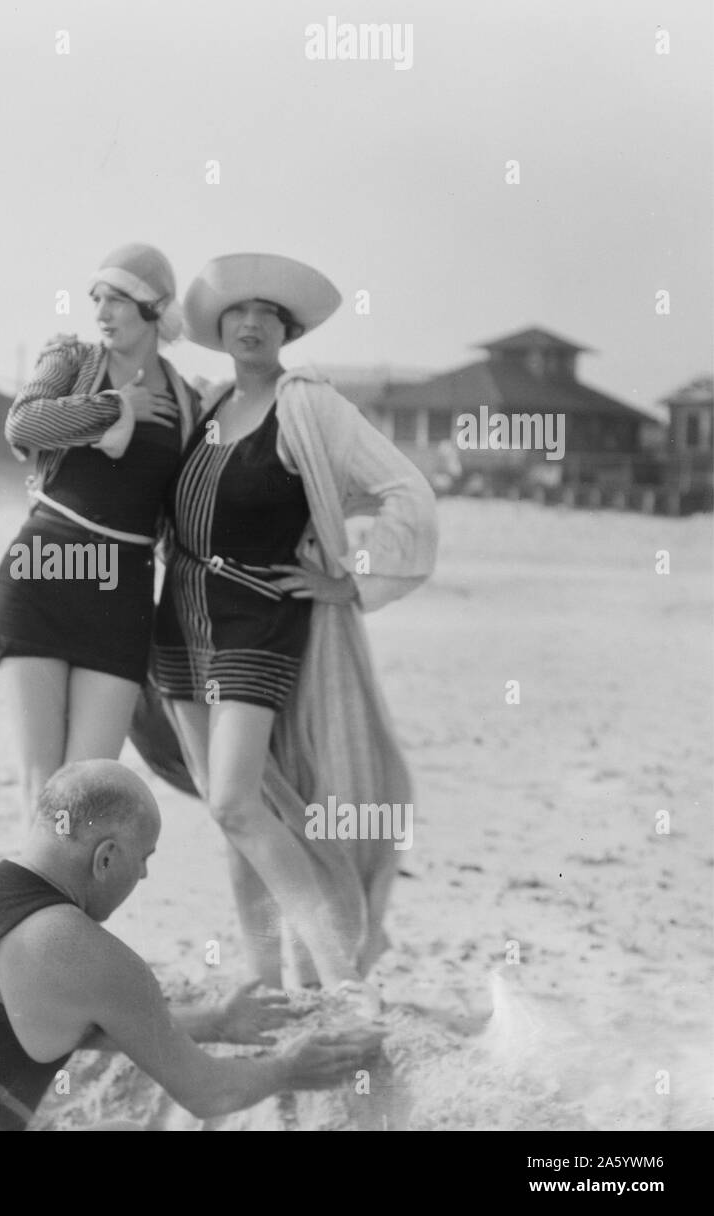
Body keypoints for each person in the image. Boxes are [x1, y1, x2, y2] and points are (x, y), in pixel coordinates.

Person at [0, 760, 384, 1131]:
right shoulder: (87, 951)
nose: (143, 877)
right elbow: (208, 1093)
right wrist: (291, 1068)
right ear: (106, 856)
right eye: (143, 861)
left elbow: (53, 1025)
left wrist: (215, 1020)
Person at [143, 253, 438, 1004]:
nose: (250, 324)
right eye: (238, 313)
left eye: (267, 315)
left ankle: (338, 977)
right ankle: (265, 981)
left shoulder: (308, 406)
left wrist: (352, 581)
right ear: (219, 327)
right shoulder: (206, 406)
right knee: (237, 820)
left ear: (287, 330)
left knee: (237, 802)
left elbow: (406, 490)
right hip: (179, 624)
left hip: (258, 619)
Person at [0, 244, 201, 820]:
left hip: (122, 594)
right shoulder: (71, 359)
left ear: (154, 309)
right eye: (96, 300)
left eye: (118, 300)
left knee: (85, 793)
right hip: (43, 572)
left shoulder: (189, 401)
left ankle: (60, 907)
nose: (102, 313)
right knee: (42, 786)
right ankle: (40, 910)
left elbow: (195, 508)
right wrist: (113, 410)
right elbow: (22, 424)